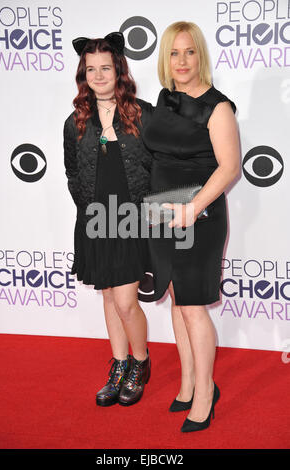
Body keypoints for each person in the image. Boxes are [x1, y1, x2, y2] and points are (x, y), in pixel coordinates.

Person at [142, 22, 240, 432]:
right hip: (161, 214)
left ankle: (205, 393)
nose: (181, 62)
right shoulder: (165, 100)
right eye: (173, 53)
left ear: (201, 55)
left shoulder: (218, 107)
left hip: (199, 218)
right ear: (165, 59)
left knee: (194, 308)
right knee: (177, 301)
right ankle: (187, 383)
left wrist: (193, 206)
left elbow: (230, 167)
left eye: (189, 52)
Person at [63, 32, 153, 407]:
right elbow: (71, 171)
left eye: (106, 68)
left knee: (126, 302)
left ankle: (140, 362)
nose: (98, 75)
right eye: (91, 69)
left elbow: (158, 167)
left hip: (132, 220)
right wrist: (87, 209)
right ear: (84, 73)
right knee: (108, 298)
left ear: (119, 70)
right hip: (95, 220)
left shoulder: (142, 114)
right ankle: (118, 364)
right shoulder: (76, 120)